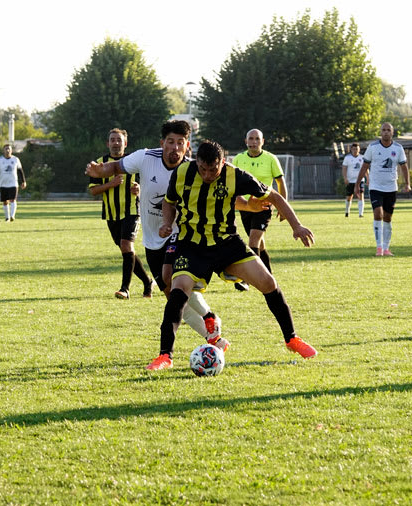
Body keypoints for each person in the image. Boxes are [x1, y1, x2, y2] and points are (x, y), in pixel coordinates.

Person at [86, 120, 258, 355]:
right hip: (152, 239)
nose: (175, 148)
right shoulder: (145, 158)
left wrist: (248, 205)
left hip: (182, 235)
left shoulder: (195, 168)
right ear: (162, 143)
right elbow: (115, 166)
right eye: (170, 142)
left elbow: (222, 193)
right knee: (172, 296)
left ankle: (205, 319)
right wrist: (99, 171)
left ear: (187, 146)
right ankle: (214, 337)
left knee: (175, 283)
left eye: (180, 143)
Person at [147, 140, 317, 371]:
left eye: (213, 170)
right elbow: (169, 202)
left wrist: (296, 226)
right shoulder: (183, 172)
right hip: (191, 244)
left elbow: (275, 197)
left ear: (223, 162)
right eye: (203, 169)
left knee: (268, 282)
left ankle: (292, 339)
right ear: (197, 162)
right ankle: (165, 356)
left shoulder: (235, 175)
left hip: (226, 243)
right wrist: (167, 223)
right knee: (178, 291)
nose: (207, 175)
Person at [88, 128, 153, 299]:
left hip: (132, 210)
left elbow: (150, 184)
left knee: (126, 246)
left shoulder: (134, 163)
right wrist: (111, 184)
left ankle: (125, 289)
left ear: (125, 143)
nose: (116, 143)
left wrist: (139, 189)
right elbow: (93, 191)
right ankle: (147, 281)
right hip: (111, 213)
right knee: (126, 250)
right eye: (113, 140)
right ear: (107, 143)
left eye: (119, 140)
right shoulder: (100, 163)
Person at [230, 129, 287, 291]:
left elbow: (281, 183)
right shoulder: (238, 159)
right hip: (245, 206)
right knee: (259, 244)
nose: (253, 142)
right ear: (246, 141)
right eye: (251, 139)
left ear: (262, 141)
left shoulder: (271, 159)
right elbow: (231, 182)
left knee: (253, 240)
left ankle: (247, 279)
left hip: (264, 206)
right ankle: (269, 276)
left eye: (257, 139)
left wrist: (282, 207)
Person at [354, 122, 411, 256]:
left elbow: (404, 167)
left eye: (388, 130)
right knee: (377, 214)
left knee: (387, 217)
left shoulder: (398, 148)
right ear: (380, 132)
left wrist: (407, 184)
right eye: (383, 130)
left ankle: (386, 248)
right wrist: (357, 184)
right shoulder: (373, 147)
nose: (386, 132)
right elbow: (364, 166)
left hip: (391, 187)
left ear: (392, 132)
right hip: (375, 187)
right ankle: (379, 247)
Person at [0, 144, 26, 221]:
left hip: (13, 183)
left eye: (9, 149)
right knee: (5, 201)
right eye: (6, 149)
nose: (7, 150)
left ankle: (12, 216)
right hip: (3, 183)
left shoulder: (15, 159)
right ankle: (7, 217)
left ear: (11, 150)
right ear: (3, 150)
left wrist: (23, 181)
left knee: (13, 199)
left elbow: (20, 171)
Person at [341, 142, 365, 218]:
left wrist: (368, 178)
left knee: (360, 195)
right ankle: (347, 211)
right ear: (351, 149)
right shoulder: (347, 158)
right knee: (349, 197)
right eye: (354, 149)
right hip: (350, 181)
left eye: (356, 149)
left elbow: (365, 168)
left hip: (360, 180)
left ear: (359, 149)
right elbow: (344, 168)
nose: (355, 151)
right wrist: (345, 178)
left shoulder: (362, 158)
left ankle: (361, 214)